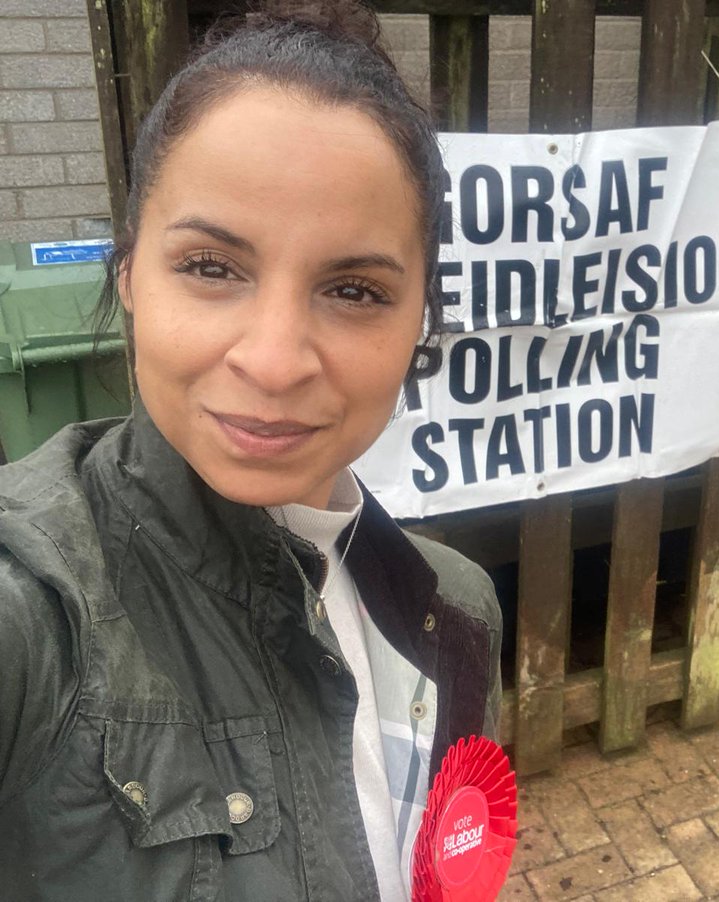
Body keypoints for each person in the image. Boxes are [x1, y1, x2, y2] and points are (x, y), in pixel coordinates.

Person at [0, 2, 502, 899]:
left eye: (353, 288)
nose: (272, 361)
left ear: (421, 318)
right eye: (212, 267)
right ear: (129, 277)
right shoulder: (36, 615)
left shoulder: (455, 612)